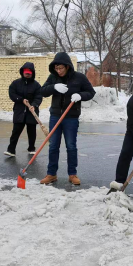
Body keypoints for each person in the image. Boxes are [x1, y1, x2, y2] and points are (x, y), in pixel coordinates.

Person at [39, 52, 96, 186]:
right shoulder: (53, 77)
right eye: (56, 68)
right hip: (55, 116)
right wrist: (54, 87)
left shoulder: (79, 78)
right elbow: (43, 91)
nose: (58, 71)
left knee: (71, 146)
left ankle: (72, 174)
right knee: (53, 146)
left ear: (67, 66)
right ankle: (51, 174)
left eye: (61, 68)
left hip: (71, 117)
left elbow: (91, 92)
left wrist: (80, 95)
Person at [5, 62, 43, 157]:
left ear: (32, 73)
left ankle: (31, 148)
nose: (27, 74)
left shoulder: (36, 85)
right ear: (22, 72)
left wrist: (34, 105)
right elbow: (12, 94)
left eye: (29, 73)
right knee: (16, 132)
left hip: (31, 111)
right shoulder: (15, 83)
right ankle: (11, 150)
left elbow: (39, 97)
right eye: (26, 72)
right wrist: (21, 100)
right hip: (19, 111)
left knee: (32, 132)